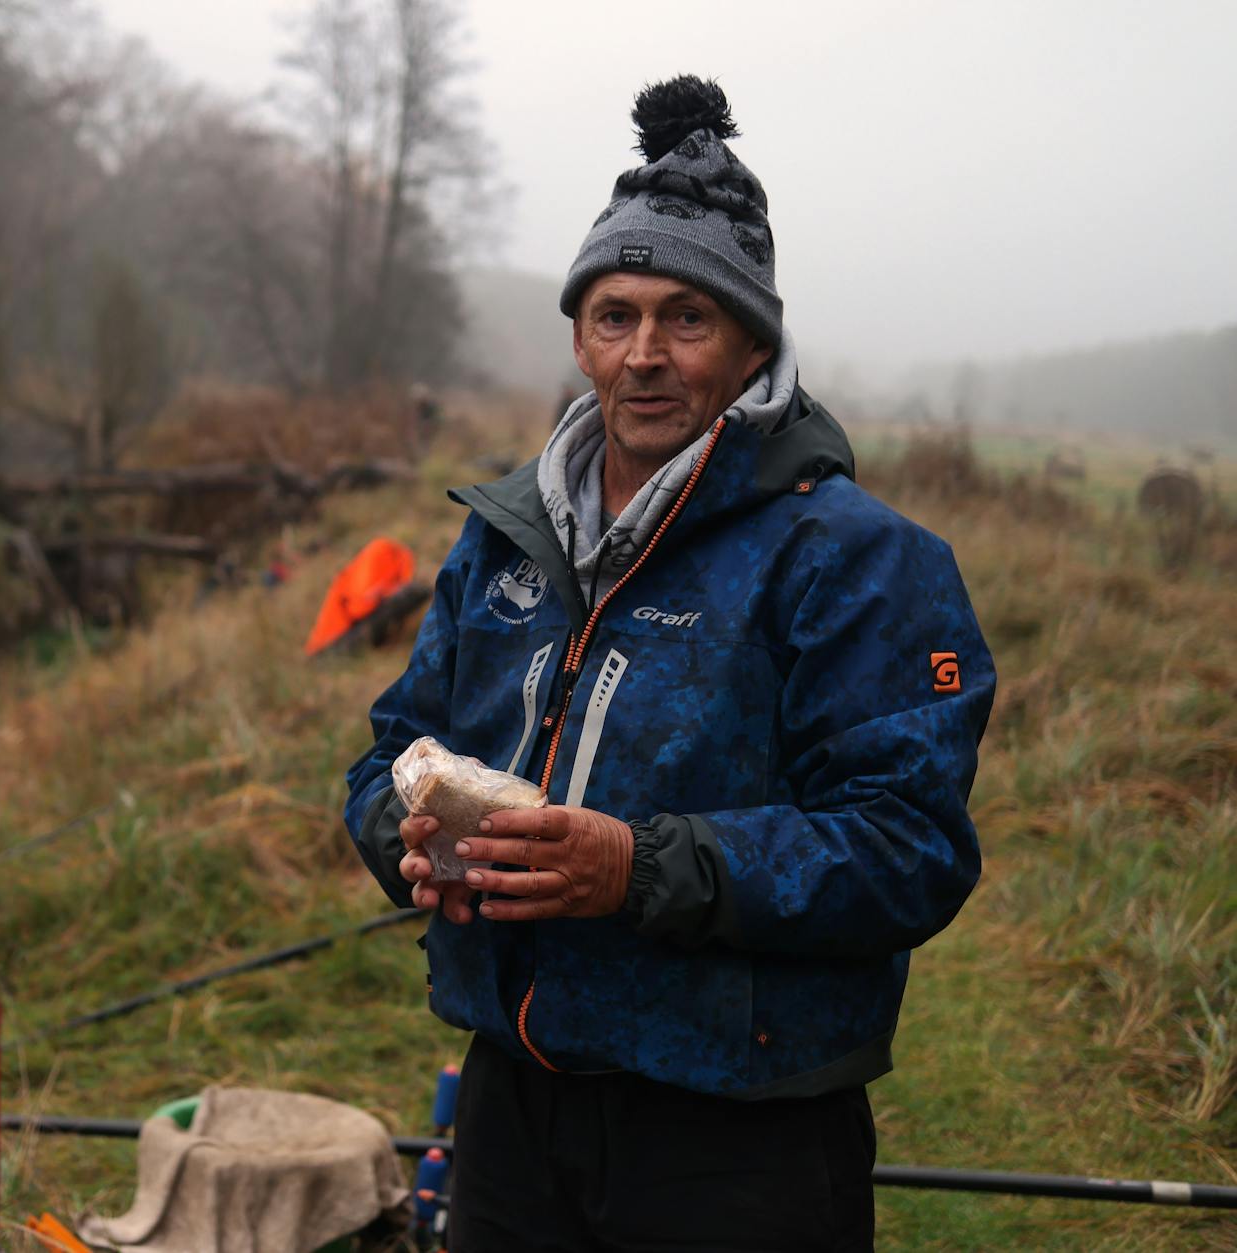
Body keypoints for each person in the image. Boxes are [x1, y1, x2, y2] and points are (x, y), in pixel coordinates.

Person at [344, 76, 994, 1252]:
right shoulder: (503, 538)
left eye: (686, 318)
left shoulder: (858, 560)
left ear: (752, 345)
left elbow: (907, 849)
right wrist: (407, 839)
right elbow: (393, 747)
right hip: (511, 1101)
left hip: (740, 1133)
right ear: (578, 336)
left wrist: (635, 866)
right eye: (614, 315)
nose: (643, 355)